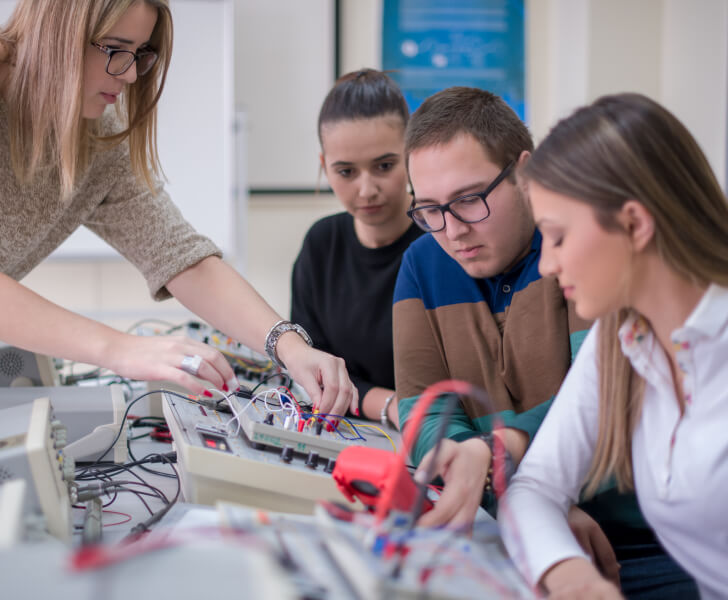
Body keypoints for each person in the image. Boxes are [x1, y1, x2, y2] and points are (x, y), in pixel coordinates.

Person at [0, 0, 357, 459]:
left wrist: (288, 345)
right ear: (60, 31)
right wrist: (122, 349)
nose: (130, 75)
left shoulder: (94, 135)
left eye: (140, 53)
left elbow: (179, 256)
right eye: (115, 49)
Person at [393, 87, 696, 597]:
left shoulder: (587, 256)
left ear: (523, 172)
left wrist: (493, 464)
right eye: (429, 210)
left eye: (469, 200)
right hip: (521, 520)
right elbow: (422, 407)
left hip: (643, 542)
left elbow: (599, 407)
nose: (452, 230)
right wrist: (496, 476)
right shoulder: (424, 263)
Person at [500, 93, 728, 599]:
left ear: (634, 224)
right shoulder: (622, 337)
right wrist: (569, 574)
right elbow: (535, 487)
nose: (546, 264)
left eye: (557, 237)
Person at [290, 69, 422, 425]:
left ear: (410, 153)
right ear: (325, 167)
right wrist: (391, 405)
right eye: (346, 172)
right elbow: (311, 370)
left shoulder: (442, 241)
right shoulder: (321, 245)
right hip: (349, 430)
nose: (366, 190)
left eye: (384, 166)